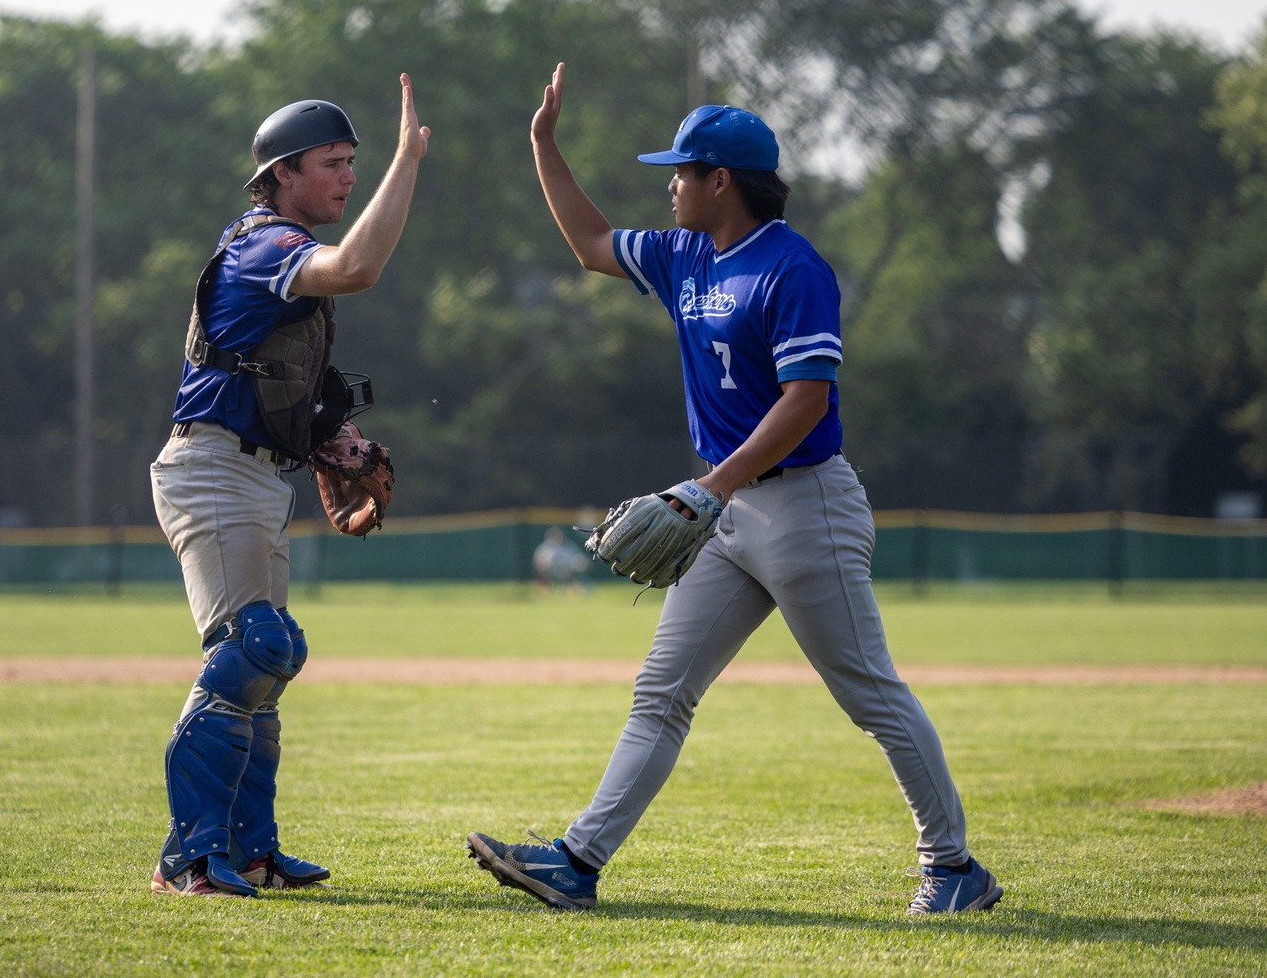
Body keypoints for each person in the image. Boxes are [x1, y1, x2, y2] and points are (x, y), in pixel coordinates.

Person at [465, 64, 1001, 916]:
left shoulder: (793, 269)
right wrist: (543, 146)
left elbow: (807, 399)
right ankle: (579, 860)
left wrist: (709, 486)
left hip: (804, 505)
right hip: (724, 510)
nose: (670, 185)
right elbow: (591, 245)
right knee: (662, 692)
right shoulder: (685, 254)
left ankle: (955, 867)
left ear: (722, 182)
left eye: (681, 171)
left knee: (869, 694)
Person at [149, 76, 430, 897]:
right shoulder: (263, 244)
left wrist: (329, 439)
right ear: (279, 174)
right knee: (254, 648)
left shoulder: (277, 252)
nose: (347, 176)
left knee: (270, 663)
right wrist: (408, 160)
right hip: (212, 470)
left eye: (355, 162)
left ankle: (251, 849)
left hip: (251, 473)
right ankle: (190, 857)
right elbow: (361, 266)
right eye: (333, 164)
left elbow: (277, 384)